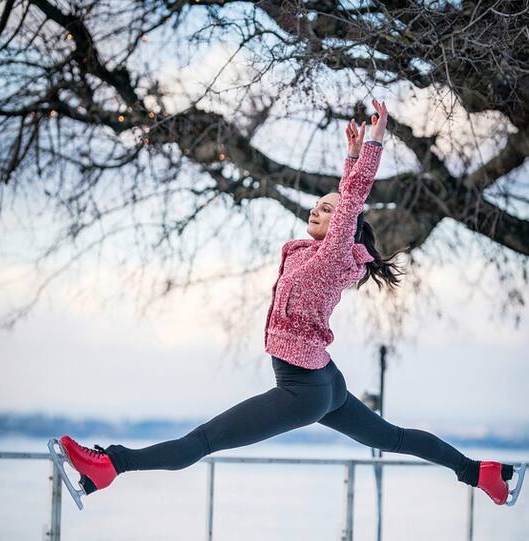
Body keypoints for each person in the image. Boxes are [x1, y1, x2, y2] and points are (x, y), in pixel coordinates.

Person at [49, 99, 524, 509]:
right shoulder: (318, 254)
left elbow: (352, 202)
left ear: (347, 228)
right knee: (394, 438)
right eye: (317, 204)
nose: (319, 208)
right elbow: (346, 203)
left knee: (202, 442)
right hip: (324, 380)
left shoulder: (333, 258)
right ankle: (480, 473)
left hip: (304, 389)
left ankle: (110, 464)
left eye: (330, 210)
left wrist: (371, 149)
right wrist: (351, 156)